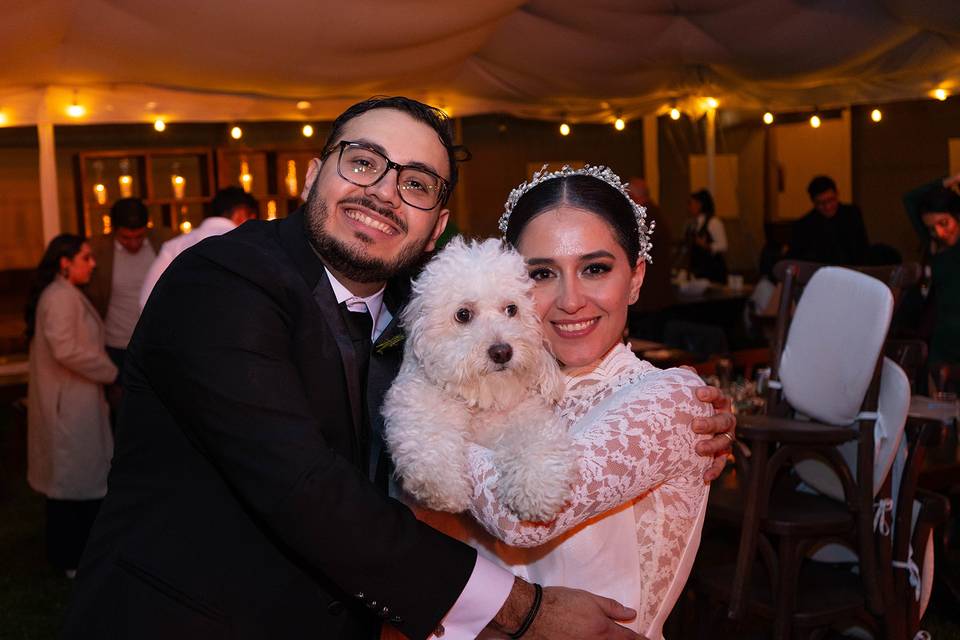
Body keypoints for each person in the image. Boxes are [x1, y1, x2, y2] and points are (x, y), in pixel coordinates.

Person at [62, 96, 735, 640]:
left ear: (437, 227)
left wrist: (682, 417)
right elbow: (305, 488)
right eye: (363, 162)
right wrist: (523, 611)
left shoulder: (428, 309)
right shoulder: (224, 284)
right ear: (311, 174)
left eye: (415, 183)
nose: (385, 193)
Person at [401, 166, 716, 640]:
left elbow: (524, 520)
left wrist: (416, 422)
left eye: (596, 268)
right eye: (542, 273)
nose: (570, 300)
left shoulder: (673, 397)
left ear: (635, 278)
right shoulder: (514, 382)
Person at [24, 234, 118, 578]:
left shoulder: (63, 294)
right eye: (86, 258)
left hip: (74, 400)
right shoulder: (60, 298)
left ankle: (75, 554)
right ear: (65, 262)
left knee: (78, 480)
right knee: (71, 483)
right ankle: (70, 557)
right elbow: (65, 349)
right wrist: (111, 371)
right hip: (69, 405)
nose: (92, 264)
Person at [139, 187, 259, 310]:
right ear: (241, 213)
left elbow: (146, 301)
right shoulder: (248, 243)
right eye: (253, 218)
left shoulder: (174, 245)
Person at [903, 172, 960, 369]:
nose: (940, 232)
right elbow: (910, 200)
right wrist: (948, 181)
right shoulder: (934, 242)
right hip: (941, 338)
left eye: (944, 223)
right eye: (932, 228)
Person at [626, 177, 673, 339]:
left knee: (647, 342)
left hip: (648, 297)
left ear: (634, 197)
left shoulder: (645, 218)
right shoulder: (654, 214)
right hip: (656, 295)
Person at [789, 175, 868, 266]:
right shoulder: (804, 226)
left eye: (831, 200)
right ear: (813, 202)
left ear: (837, 194)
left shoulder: (852, 215)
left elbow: (862, 250)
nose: (828, 207)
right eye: (821, 203)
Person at [684, 188, 727, 282]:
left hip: (712, 271)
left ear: (700, 204)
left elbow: (723, 245)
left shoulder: (714, 222)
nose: (689, 207)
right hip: (698, 270)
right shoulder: (693, 224)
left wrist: (706, 246)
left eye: (691, 203)